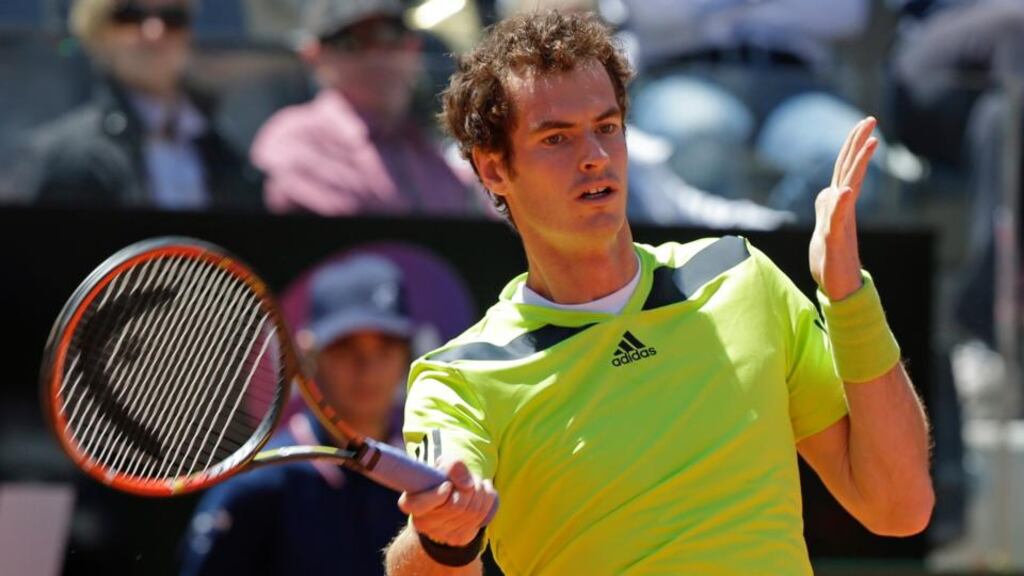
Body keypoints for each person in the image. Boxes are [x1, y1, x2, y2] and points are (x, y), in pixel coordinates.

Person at [384, 11, 934, 575]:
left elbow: (900, 506)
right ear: (494, 168)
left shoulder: (740, 276)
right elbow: (431, 543)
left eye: (607, 126)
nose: (594, 154)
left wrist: (847, 298)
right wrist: (439, 536)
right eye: (557, 138)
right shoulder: (458, 378)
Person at [180, 255, 412, 576]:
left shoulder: (425, 485)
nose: (367, 368)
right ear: (308, 354)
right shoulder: (255, 490)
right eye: (345, 347)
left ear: (407, 356)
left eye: (385, 347)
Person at [12, 0, 263, 211]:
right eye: (130, 16)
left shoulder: (232, 159)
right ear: (97, 34)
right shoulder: (64, 160)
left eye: (173, 18)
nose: (155, 32)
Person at [251, 0, 482, 217]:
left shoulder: (431, 151)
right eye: (351, 41)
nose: (377, 54)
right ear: (314, 55)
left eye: (391, 34)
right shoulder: (293, 137)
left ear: (413, 45)